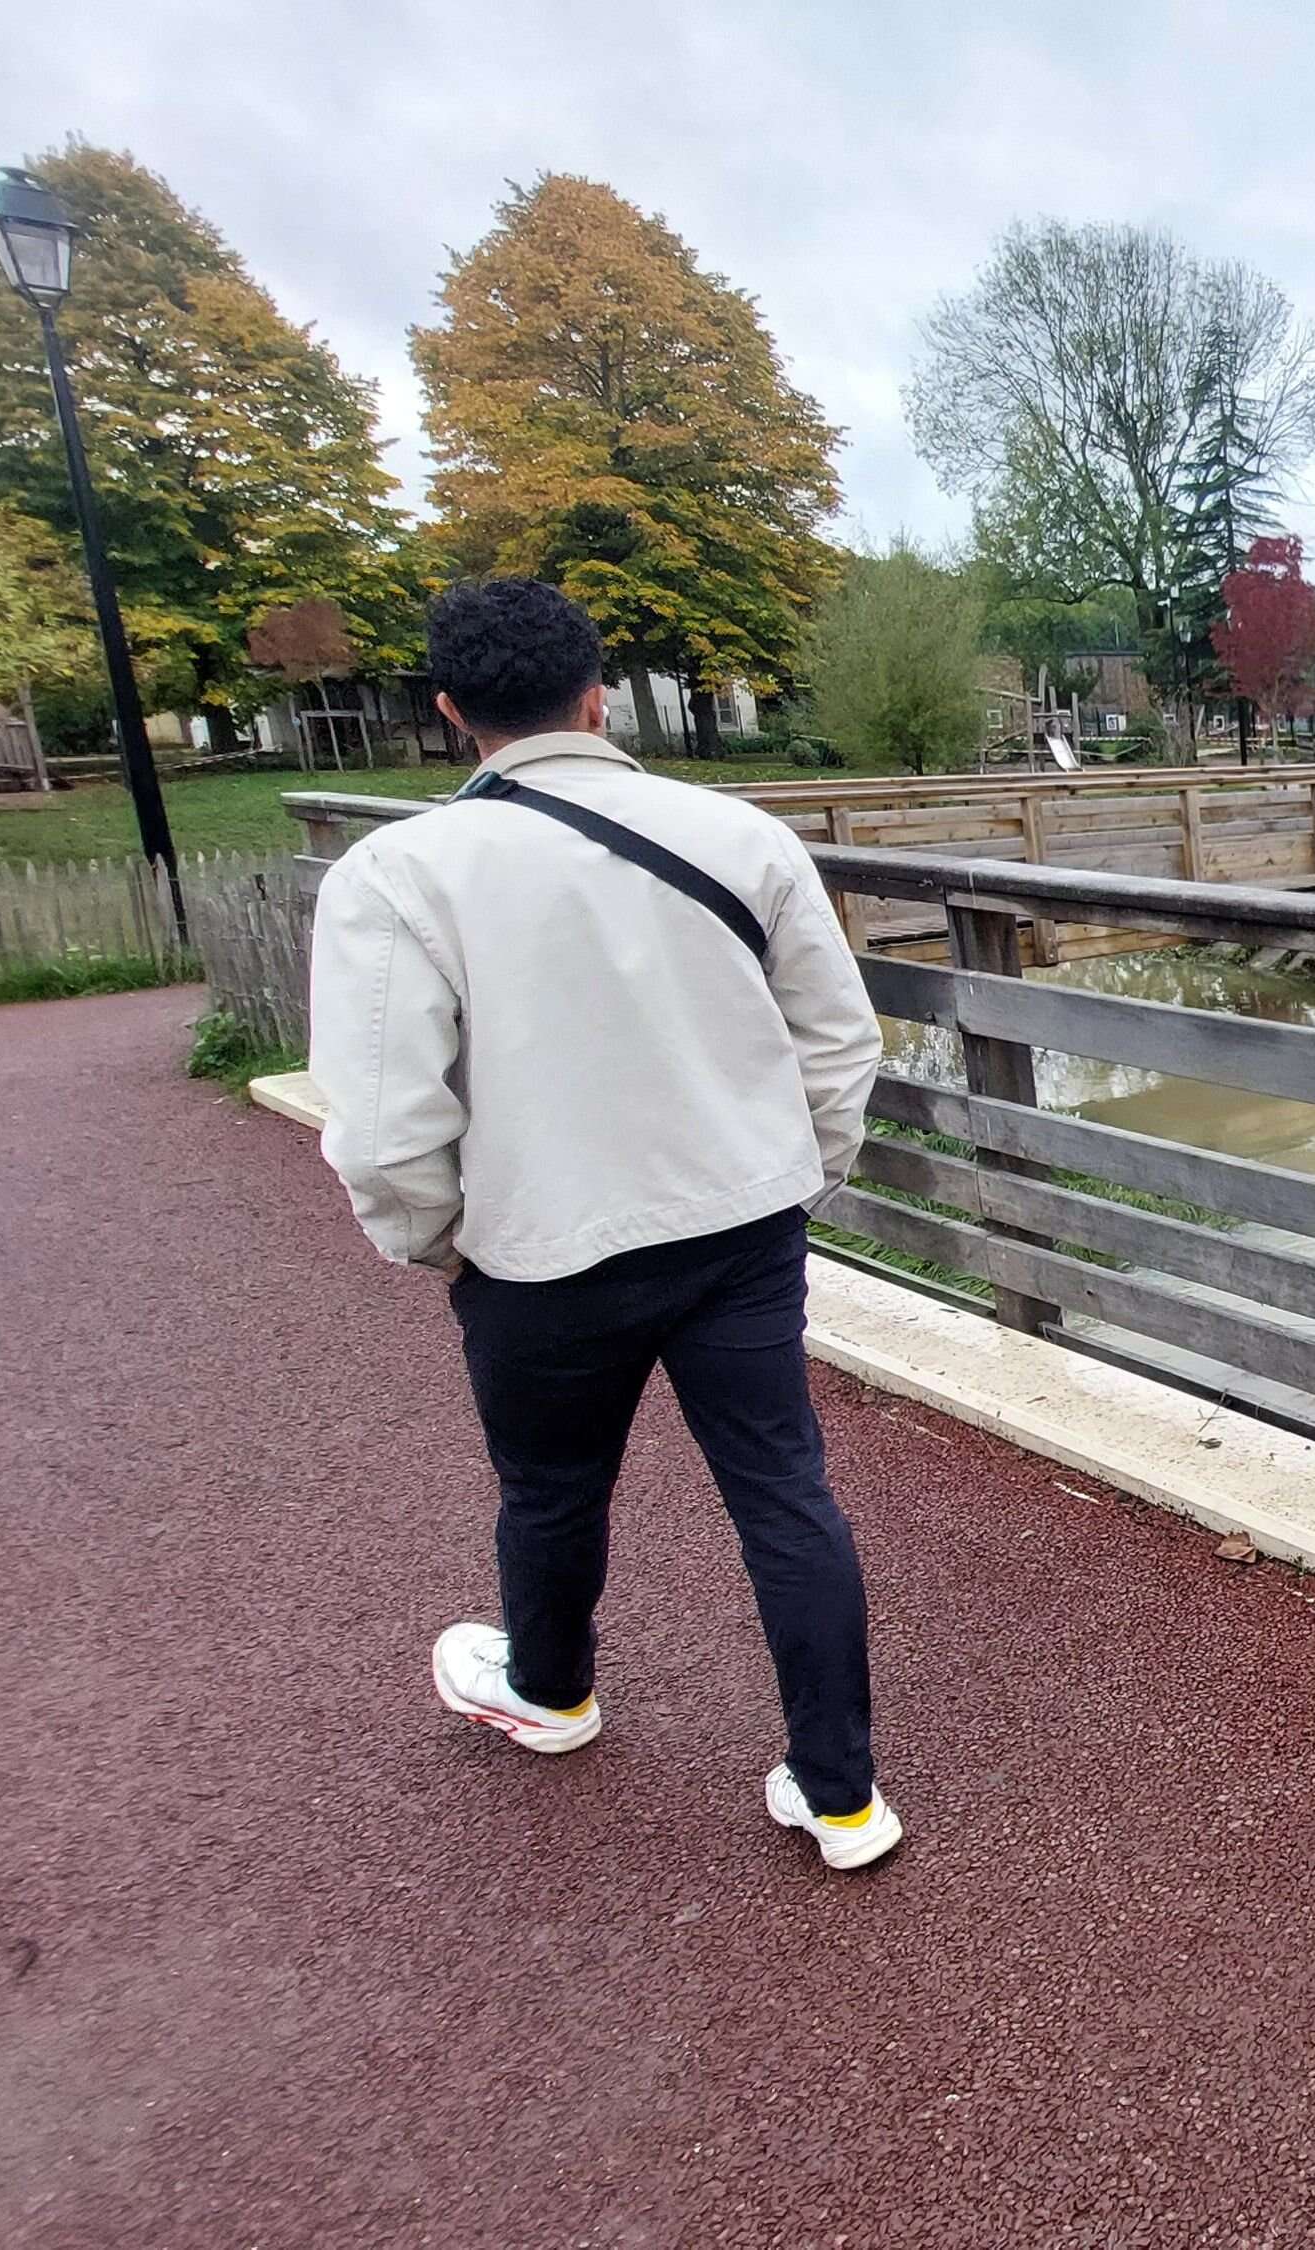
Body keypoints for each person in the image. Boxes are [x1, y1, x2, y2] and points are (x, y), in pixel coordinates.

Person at [308, 578, 900, 1870]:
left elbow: (389, 1119)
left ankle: (555, 1692)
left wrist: (437, 1242)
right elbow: (839, 1043)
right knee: (785, 1493)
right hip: (742, 1227)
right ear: (599, 694)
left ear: (452, 709)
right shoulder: (742, 836)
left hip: (540, 1249)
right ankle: (843, 1792)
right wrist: (800, 1178)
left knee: (553, 1487)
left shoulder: (398, 874)